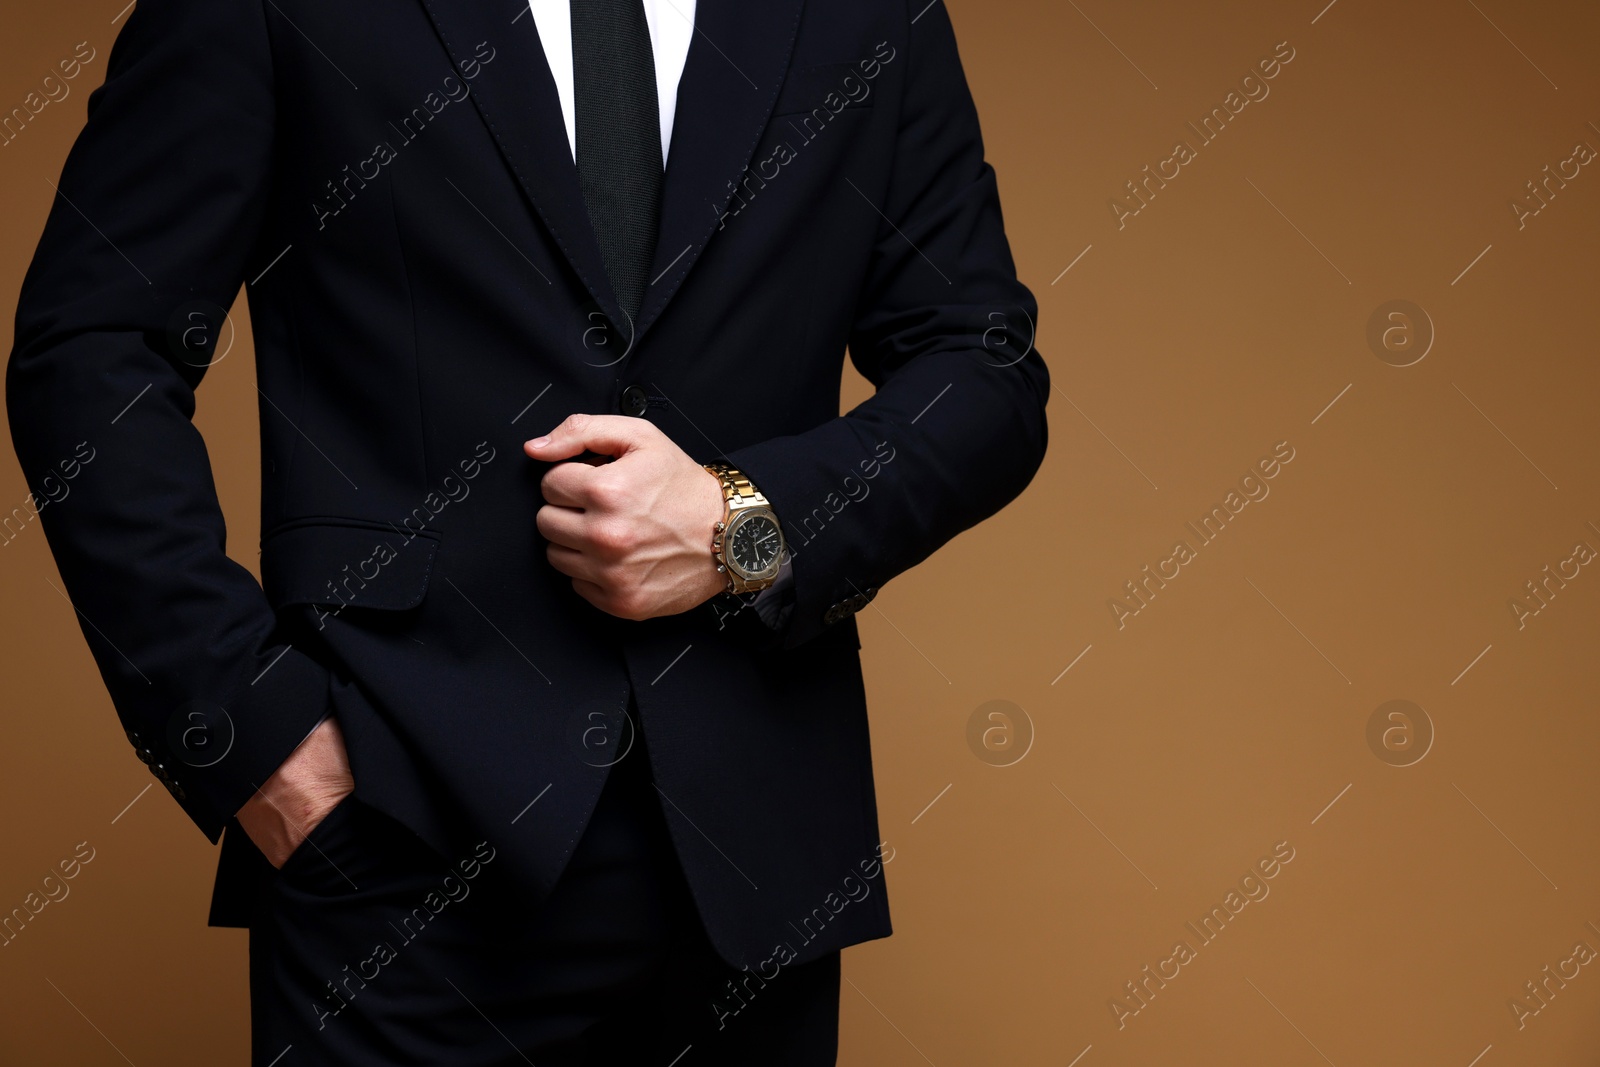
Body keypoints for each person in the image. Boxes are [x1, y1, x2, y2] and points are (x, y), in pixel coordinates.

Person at [7, 0, 1049, 1061]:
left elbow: (984, 372)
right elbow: (92, 347)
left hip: (749, 856)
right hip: (395, 849)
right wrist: (248, 730)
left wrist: (751, 518)